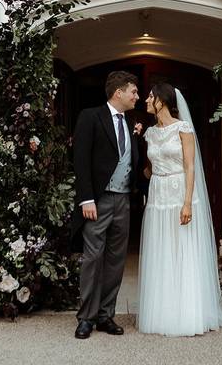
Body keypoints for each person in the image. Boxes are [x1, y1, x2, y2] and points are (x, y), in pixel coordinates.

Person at [137, 82, 222, 336]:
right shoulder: (150, 133)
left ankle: (187, 313)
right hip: (158, 195)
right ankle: (162, 312)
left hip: (180, 191)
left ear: (162, 100)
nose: (147, 100)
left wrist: (187, 202)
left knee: (182, 248)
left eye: (151, 96)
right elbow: (149, 168)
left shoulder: (183, 129)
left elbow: (190, 167)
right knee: (161, 249)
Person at [71, 71, 141, 340]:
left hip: (123, 200)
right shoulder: (91, 117)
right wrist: (86, 198)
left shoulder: (131, 121)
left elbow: (130, 159)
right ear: (118, 92)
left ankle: (105, 315)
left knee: (115, 260)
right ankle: (86, 317)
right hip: (98, 201)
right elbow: (81, 159)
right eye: (133, 91)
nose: (136, 96)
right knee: (92, 258)